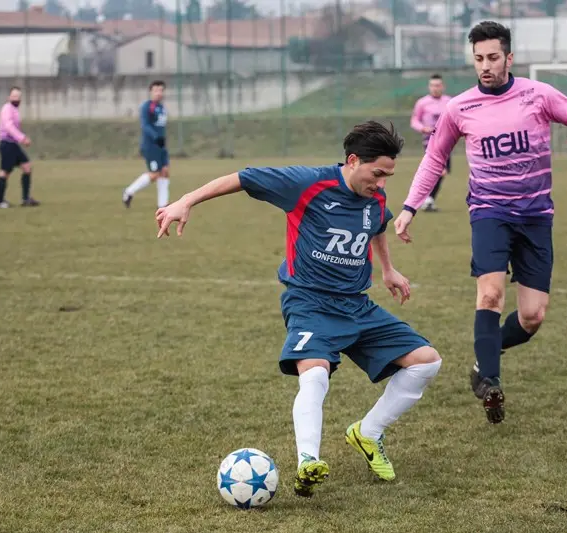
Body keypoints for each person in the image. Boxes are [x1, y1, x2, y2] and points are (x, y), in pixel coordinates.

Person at [155, 121, 442, 497]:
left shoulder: (375, 196)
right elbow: (244, 177)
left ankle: (368, 433)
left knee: (426, 361)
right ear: (353, 161)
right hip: (310, 301)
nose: (383, 183)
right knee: (315, 373)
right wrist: (186, 200)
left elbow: (377, 226)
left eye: (389, 175)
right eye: (377, 174)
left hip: (358, 305)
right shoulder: (307, 183)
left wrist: (387, 269)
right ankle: (309, 460)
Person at [394, 21, 567, 425]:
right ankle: (490, 382)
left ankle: (483, 358)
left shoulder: (537, 95)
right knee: (489, 294)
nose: (484, 66)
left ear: (509, 57)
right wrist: (409, 207)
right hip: (489, 212)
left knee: (532, 317)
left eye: (491, 58)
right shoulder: (460, 108)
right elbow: (434, 158)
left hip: (536, 215)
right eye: (477, 59)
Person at [122, 80, 170, 209]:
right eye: (156, 90)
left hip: (161, 146)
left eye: (161, 90)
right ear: (150, 92)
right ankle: (128, 191)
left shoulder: (162, 108)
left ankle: (163, 204)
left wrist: (163, 141)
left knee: (165, 171)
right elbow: (145, 125)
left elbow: (161, 127)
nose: (159, 93)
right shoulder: (147, 107)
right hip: (151, 146)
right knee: (155, 174)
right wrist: (156, 137)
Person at [410, 74, 452, 212]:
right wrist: (423, 128)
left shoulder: (449, 101)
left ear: (443, 86)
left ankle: (427, 199)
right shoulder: (422, 103)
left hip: (446, 142)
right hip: (429, 142)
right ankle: (426, 199)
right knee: (439, 170)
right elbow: (414, 120)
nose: (435, 88)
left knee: (441, 171)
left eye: (438, 85)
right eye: (433, 85)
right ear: (429, 87)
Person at [0, 87, 39, 208]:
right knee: (5, 172)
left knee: (26, 167)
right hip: (7, 144)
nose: (16, 99)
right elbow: (9, 126)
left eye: (18, 97)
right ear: (9, 97)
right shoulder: (6, 109)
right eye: (14, 96)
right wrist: (23, 138)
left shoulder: (14, 110)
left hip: (13, 145)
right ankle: (0, 201)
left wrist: (19, 139)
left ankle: (25, 199)